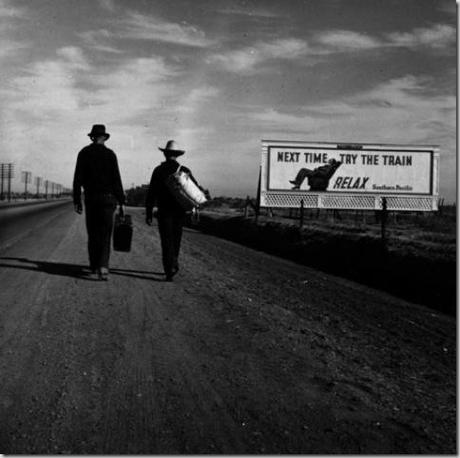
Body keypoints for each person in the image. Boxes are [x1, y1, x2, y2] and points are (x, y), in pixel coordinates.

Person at [145, 140, 206, 282]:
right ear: (177, 155)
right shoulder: (184, 170)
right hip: (179, 211)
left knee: (166, 240)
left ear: (165, 154)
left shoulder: (158, 170)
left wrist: (149, 212)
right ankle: (174, 261)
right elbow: (195, 189)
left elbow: (151, 193)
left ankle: (169, 269)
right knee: (176, 238)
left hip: (164, 211)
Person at [73, 124, 125, 281]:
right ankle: (103, 266)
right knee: (105, 233)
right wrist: (121, 201)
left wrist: (77, 200)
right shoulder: (110, 154)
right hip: (109, 200)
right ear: (104, 137)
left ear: (92, 137)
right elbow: (117, 179)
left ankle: (94, 264)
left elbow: (77, 179)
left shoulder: (84, 153)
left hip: (92, 199)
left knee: (93, 232)